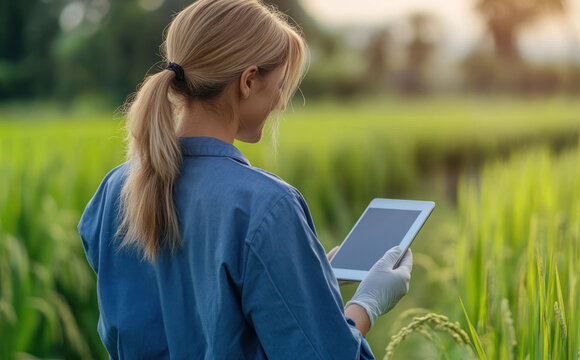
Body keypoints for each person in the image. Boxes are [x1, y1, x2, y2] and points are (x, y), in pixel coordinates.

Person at [77, 0, 413, 358]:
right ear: (249, 81)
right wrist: (366, 304)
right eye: (280, 85)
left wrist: (304, 280)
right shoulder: (267, 206)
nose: (281, 102)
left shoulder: (115, 189)